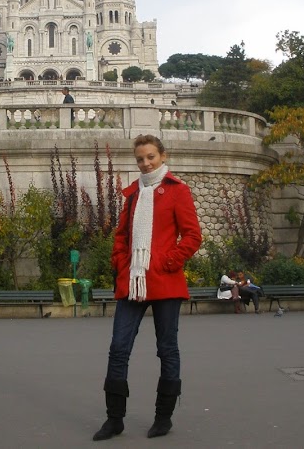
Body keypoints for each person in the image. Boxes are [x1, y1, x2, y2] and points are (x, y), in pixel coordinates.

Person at [93, 134, 202, 441]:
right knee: (118, 349)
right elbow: (121, 236)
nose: (145, 163)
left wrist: (169, 261)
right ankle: (114, 420)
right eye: (140, 158)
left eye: (150, 157)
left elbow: (193, 236)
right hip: (133, 281)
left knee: (167, 349)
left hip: (165, 281)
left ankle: (163, 418)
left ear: (162, 156)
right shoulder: (133, 195)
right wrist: (120, 263)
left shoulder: (177, 192)